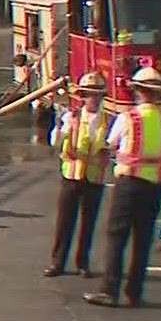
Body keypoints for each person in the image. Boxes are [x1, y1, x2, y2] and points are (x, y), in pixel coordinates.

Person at [85, 66, 161, 308]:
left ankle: (109, 290)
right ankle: (135, 291)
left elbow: (111, 145)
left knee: (117, 235)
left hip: (129, 183)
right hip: (155, 185)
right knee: (143, 238)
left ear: (138, 91)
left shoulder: (128, 118)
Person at [46, 72, 111, 277]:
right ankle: (58, 263)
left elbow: (114, 147)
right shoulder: (72, 116)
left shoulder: (109, 120)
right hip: (71, 177)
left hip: (94, 178)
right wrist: (59, 127)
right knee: (65, 222)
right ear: (82, 95)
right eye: (89, 94)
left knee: (88, 222)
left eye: (96, 94)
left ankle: (83, 263)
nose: (93, 98)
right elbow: (55, 142)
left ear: (101, 96)